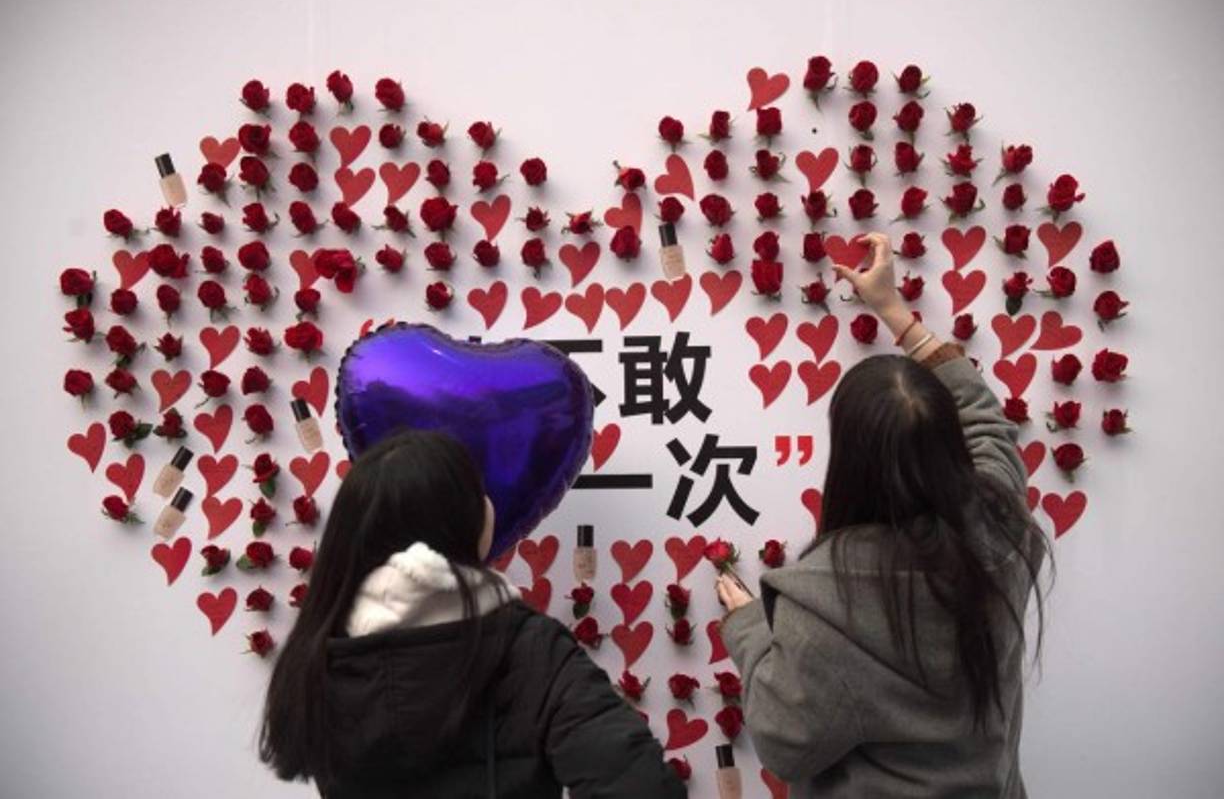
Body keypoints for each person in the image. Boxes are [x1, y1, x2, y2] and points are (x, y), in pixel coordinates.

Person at [715, 232, 1051, 798]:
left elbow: (783, 741)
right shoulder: (1000, 529)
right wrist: (895, 311)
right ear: (947, 443)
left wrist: (748, 626)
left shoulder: (826, 604)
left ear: (848, 459)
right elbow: (986, 422)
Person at [259, 429, 685, 798]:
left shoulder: (319, 654)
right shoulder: (528, 649)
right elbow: (641, 786)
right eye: (478, 491)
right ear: (457, 523)